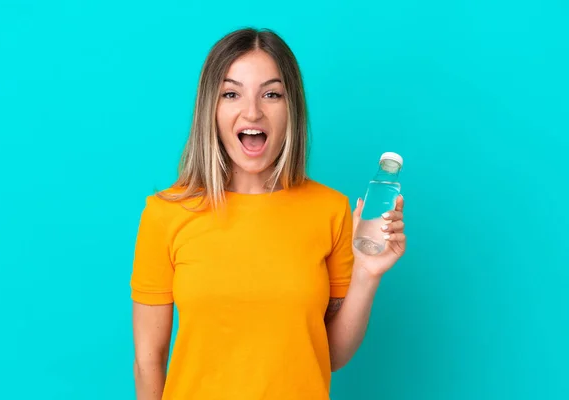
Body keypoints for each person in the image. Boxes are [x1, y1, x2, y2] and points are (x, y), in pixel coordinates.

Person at [130, 27, 406, 400]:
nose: (253, 112)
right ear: (210, 108)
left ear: (291, 107)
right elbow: (149, 361)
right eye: (231, 93)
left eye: (271, 94)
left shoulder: (330, 210)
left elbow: (331, 355)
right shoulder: (166, 214)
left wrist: (367, 274)